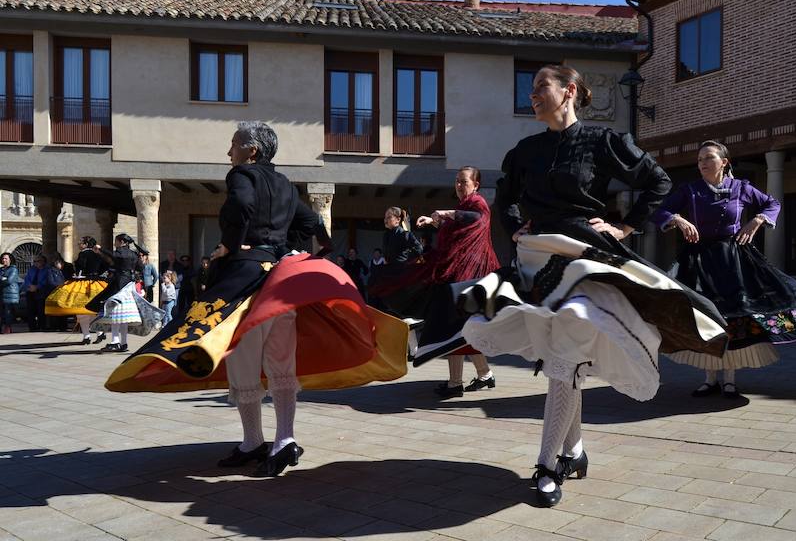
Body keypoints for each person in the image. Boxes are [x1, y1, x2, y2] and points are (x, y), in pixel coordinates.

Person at [454, 65, 729, 507]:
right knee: (564, 354)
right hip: (536, 259)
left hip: (585, 258)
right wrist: (516, 230)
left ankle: (548, 465)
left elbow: (658, 182)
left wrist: (623, 228)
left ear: (570, 91)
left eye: (541, 87)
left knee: (567, 347)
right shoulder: (526, 151)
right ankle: (575, 452)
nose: (533, 96)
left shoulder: (602, 142)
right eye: (532, 89)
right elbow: (503, 198)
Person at [105, 122, 408, 478]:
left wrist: (229, 246)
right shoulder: (283, 184)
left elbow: (242, 205)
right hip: (281, 282)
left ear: (251, 150)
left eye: (233, 145)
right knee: (281, 359)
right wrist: (305, 248)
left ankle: (253, 441)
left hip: (246, 277)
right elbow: (311, 221)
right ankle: (284, 440)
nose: (228, 152)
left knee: (242, 359)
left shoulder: (241, 175)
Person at [651, 140, 796, 398]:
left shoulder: (740, 187)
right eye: (700, 159)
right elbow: (660, 210)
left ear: (723, 162)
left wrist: (757, 220)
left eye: (709, 157)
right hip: (700, 260)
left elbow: (772, 204)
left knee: (736, 316)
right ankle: (710, 378)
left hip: (734, 258)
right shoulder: (690, 190)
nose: (702, 163)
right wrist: (678, 219)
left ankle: (730, 380)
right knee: (706, 315)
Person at [409, 166, 501, 397]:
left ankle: (455, 383)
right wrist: (432, 221)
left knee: (455, 326)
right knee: (463, 328)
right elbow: (454, 230)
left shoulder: (478, 203)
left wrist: (448, 213)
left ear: (476, 185)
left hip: (472, 275)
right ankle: (484, 375)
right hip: (462, 274)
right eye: (457, 181)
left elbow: (476, 219)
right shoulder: (463, 205)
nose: (459, 185)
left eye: (464, 182)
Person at [86, 234, 157, 352]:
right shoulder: (133, 254)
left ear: (121, 242)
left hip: (119, 284)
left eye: (116, 241)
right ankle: (123, 343)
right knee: (123, 318)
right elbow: (140, 268)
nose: (115, 244)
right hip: (129, 285)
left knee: (115, 314)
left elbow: (113, 255)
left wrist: (100, 249)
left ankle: (115, 342)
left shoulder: (121, 252)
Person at [23, 255, 50, 331]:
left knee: (41, 310)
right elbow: (27, 279)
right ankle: (32, 327)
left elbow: (46, 280)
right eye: (34, 261)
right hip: (30, 291)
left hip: (41, 292)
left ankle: (42, 326)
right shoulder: (32, 269)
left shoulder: (47, 270)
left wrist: (37, 287)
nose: (36, 263)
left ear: (43, 262)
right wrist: (29, 286)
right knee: (30, 310)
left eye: (38, 261)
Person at [0, 252, 20, 334]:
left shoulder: (13, 269)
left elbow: (9, 281)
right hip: (1, 293)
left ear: (10, 260)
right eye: (3, 258)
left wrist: (2, 279)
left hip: (10, 294)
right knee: (1, 313)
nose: (4, 260)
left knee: (8, 313)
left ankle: (7, 328)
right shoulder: (1, 269)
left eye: (6, 258)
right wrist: (2, 279)